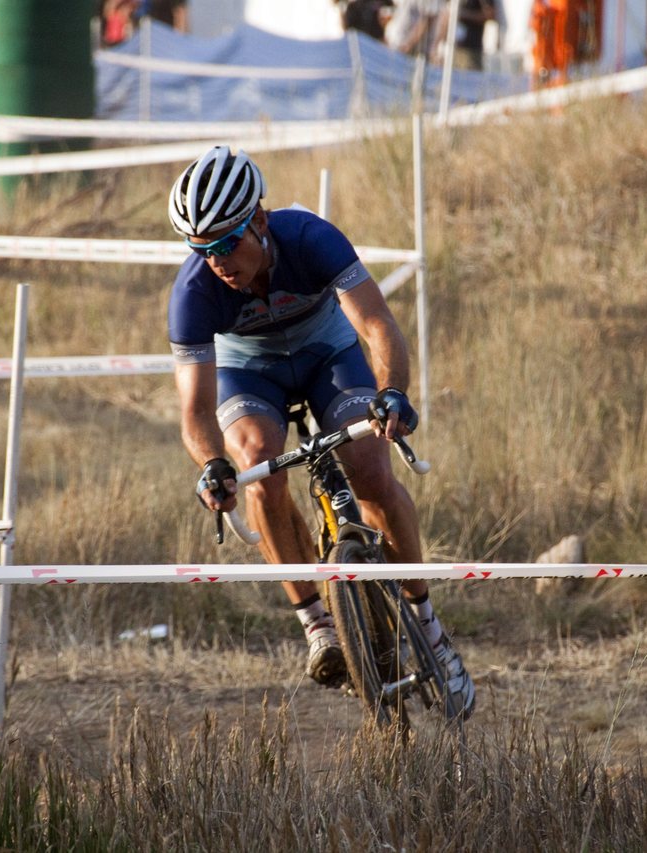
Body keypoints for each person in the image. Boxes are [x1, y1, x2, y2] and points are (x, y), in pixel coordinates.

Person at [167, 146, 475, 720]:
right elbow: (196, 409)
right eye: (201, 250)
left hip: (326, 354)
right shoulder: (194, 294)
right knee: (257, 462)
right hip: (249, 372)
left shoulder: (311, 237)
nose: (217, 261)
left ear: (258, 221)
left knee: (371, 471)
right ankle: (317, 624)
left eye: (227, 243)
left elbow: (376, 323)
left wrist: (394, 391)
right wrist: (212, 463)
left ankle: (431, 631)